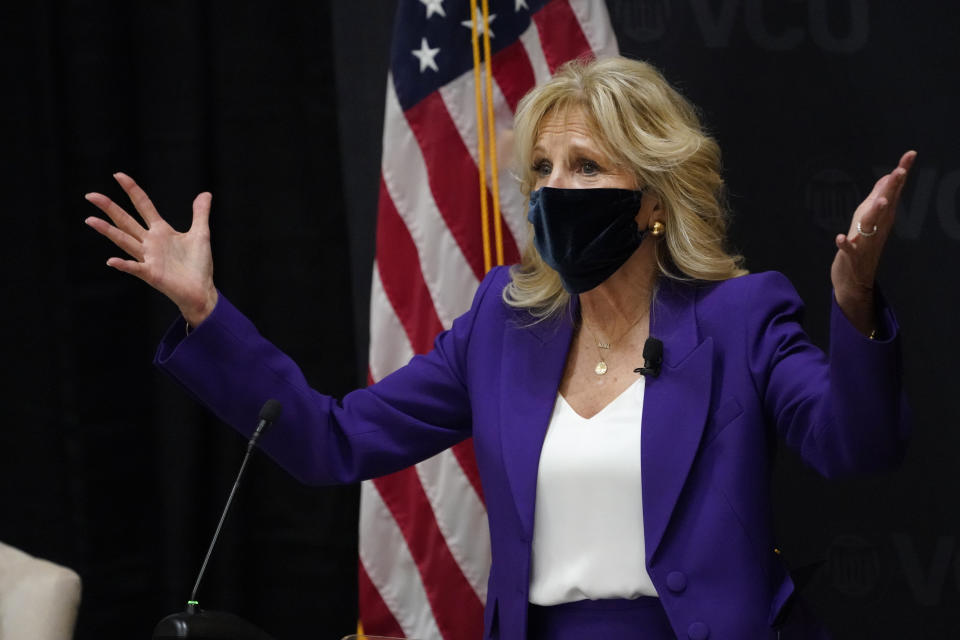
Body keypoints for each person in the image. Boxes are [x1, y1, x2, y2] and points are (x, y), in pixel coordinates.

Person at [84, 56, 914, 639]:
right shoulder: (501, 326)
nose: (556, 191)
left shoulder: (739, 317)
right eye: (543, 170)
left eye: (586, 167)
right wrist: (207, 313)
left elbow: (855, 446)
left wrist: (854, 302)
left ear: (654, 200)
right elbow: (331, 440)